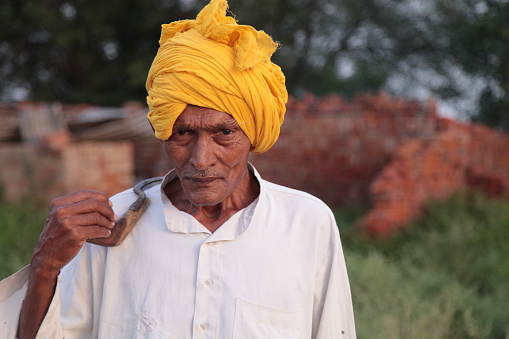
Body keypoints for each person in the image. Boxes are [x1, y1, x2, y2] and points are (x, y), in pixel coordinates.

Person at [0, 0, 356, 337]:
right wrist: (45, 266)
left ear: (254, 134)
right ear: (162, 132)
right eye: (182, 133)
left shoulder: (307, 223)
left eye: (224, 133)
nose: (201, 160)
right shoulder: (109, 225)